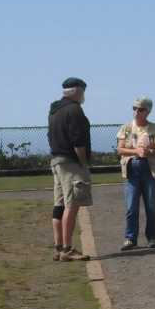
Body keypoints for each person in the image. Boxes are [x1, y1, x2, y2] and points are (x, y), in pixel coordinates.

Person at [48, 78, 93, 261]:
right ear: (77, 91)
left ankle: (59, 247)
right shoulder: (74, 110)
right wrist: (83, 162)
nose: (84, 94)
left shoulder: (54, 110)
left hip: (57, 161)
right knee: (72, 204)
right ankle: (67, 249)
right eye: (83, 90)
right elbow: (78, 140)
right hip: (70, 163)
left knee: (59, 204)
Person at [115, 97, 155, 250]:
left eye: (141, 109)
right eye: (135, 108)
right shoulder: (126, 128)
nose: (136, 111)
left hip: (149, 170)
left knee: (151, 206)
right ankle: (130, 239)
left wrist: (148, 151)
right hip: (131, 169)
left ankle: (152, 237)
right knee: (131, 206)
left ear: (148, 111)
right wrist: (135, 151)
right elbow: (120, 149)